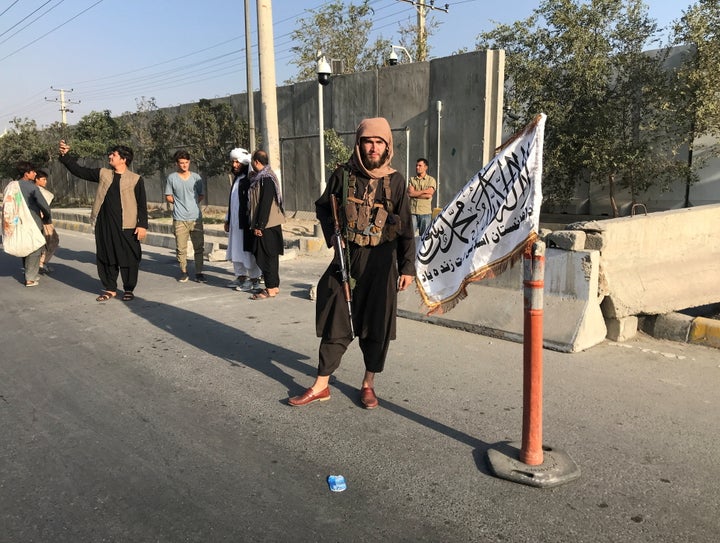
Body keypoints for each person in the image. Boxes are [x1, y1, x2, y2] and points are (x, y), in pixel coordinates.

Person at [288, 117, 416, 408]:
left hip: (382, 262)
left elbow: (406, 228)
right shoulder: (343, 175)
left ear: (387, 146)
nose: (373, 148)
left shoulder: (396, 181)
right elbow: (323, 208)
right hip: (348, 257)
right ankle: (322, 384)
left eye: (379, 142)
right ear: (359, 143)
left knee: (377, 325)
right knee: (336, 317)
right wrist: (333, 238)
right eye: (368, 141)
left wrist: (408, 267)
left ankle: (368, 383)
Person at [58, 140, 148, 302]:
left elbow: (142, 205)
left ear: (123, 159)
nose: (110, 156)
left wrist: (142, 225)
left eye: (113, 154)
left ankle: (128, 288)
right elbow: (80, 171)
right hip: (105, 224)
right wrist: (66, 156)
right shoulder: (104, 174)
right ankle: (110, 288)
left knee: (129, 257)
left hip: (127, 226)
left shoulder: (135, 179)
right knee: (106, 256)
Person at [4, 162, 53, 286]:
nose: (35, 173)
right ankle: (30, 277)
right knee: (35, 247)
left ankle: (29, 272)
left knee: (25, 244)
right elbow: (44, 205)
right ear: (26, 174)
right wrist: (47, 218)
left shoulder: (10, 186)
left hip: (16, 221)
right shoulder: (31, 187)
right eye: (33, 172)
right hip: (32, 221)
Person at [247, 149, 285, 300]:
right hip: (269, 223)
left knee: (265, 255)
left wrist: (259, 225)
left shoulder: (266, 178)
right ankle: (273, 286)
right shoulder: (263, 177)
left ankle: (270, 288)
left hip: (267, 224)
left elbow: (265, 203)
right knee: (271, 255)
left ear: (256, 162)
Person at [164, 150, 206, 283]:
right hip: (179, 218)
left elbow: (201, 194)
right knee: (181, 248)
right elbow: (168, 196)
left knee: (199, 247)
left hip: (195, 218)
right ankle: (183, 271)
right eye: (181, 163)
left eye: (186, 163)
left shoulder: (196, 178)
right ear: (177, 164)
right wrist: (180, 203)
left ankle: (199, 272)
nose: (184, 165)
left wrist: (192, 204)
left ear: (189, 162)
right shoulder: (172, 178)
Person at [224, 148, 262, 291]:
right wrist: (227, 220)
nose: (234, 165)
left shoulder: (249, 180)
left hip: (246, 224)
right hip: (235, 224)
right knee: (236, 250)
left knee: (247, 252)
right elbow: (232, 202)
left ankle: (254, 280)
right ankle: (240, 277)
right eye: (233, 162)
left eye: (237, 162)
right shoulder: (237, 179)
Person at [34, 169, 60, 275]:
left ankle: (37, 264)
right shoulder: (40, 192)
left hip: (38, 221)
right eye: (43, 179)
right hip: (44, 221)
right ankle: (40, 263)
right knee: (52, 241)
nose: (45, 182)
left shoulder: (29, 190)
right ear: (36, 179)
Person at [407, 157, 436, 237]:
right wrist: (424, 191)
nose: (417, 167)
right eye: (416, 165)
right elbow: (410, 193)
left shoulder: (431, 180)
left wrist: (415, 193)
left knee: (424, 237)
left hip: (425, 213)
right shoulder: (412, 180)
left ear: (425, 167)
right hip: (413, 212)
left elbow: (429, 194)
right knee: (410, 236)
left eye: (420, 166)